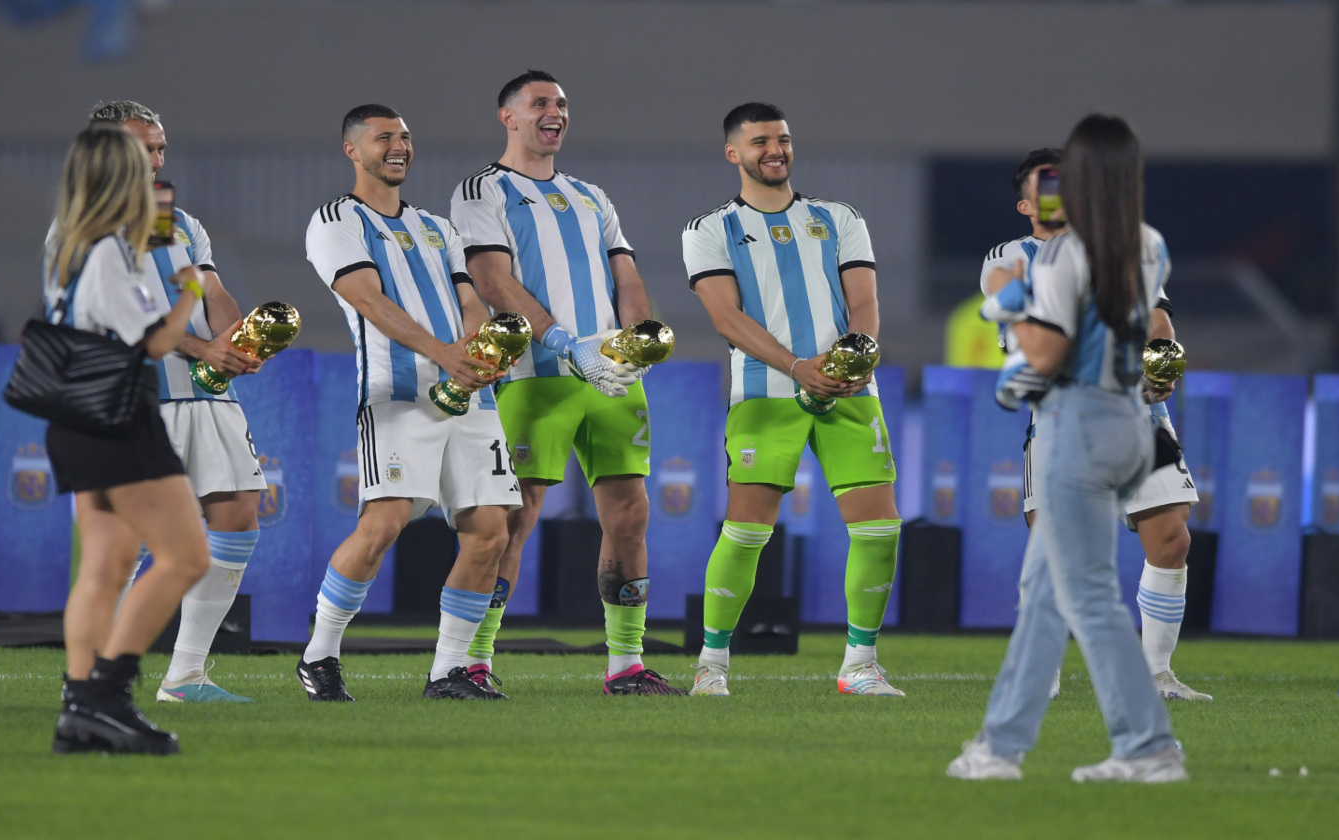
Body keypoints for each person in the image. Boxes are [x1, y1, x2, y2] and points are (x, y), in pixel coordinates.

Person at [949, 114, 1187, 783]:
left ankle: (1148, 747)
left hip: (1075, 426)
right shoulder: (1145, 244)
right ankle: (999, 746)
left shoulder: (1059, 256)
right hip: (1133, 424)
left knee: (1085, 597)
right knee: (1046, 590)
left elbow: (1045, 353)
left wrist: (1007, 307)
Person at [450, 70, 679, 696]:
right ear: (508, 116)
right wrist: (561, 341)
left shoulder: (591, 195)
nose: (556, 112)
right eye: (541, 103)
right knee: (515, 519)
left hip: (608, 379)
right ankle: (474, 660)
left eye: (562, 104)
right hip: (535, 374)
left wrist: (634, 345)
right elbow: (491, 277)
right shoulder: (483, 190)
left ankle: (625, 665)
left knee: (631, 514)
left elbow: (624, 275)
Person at [299, 104, 519, 702]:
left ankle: (448, 672)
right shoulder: (335, 219)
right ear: (353, 150)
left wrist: (480, 347)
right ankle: (319, 654)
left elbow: (468, 298)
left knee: (491, 532)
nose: (398, 147)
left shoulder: (436, 227)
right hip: (398, 394)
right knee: (385, 523)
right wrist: (443, 353)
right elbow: (367, 298)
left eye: (404, 137)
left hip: (470, 394)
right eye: (383, 138)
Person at [682, 103, 902, 697]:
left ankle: (859, 665)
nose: (775, 150)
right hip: (766, 394)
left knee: (880, 530)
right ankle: (713, 665)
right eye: (760, 142)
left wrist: (857, 356)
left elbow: (864, 302)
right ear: (734, 153)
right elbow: (725, 317)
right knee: (747, 532)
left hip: (850, 391)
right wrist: (798, 367)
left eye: (782, 139)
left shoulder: (839, 217)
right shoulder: (710, 229)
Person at [983, 148, 1209, 702]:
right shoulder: (1009, 257)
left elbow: (1158, 318)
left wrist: (1162, 360)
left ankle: (1155, 673)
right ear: (1026, 203)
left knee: (1172, 539)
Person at [86, 101, 267, 704]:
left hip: (208, 396)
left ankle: (186, 675)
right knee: (124, 547)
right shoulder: (86, 225)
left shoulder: (178, 221)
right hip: (138, 399)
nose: (159, 160)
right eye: (145, 148)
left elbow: (211, 289)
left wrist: (238, 342)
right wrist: (202, 348)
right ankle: (95, 678)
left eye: (161, 147)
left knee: (239, 515)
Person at [46, 125, 211, 754]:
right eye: (139, 162)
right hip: (120, 412)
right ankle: (104, 698)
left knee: (104, 567)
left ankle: (79, 709)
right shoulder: (113, 248)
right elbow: (155, 342)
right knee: (186, 557)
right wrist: (189, 291)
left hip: (75, 413)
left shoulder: (66, 241)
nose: (152, 171)